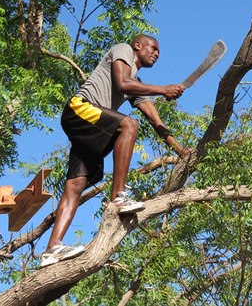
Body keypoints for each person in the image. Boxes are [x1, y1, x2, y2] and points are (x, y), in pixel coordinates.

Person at [41, 34, 188, 267]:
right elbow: (122, 83)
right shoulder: (122, 50)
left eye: (159, 52)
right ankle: (119, 198)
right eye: (153, 48)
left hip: (93, 125)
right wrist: (163, 89)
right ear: (137, 46)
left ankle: (52, 249)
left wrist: (181, 150)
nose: (157, 53)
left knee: (75, 183)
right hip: (80, 109)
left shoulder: (136, 83)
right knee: (129, 125)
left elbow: (155, 121)